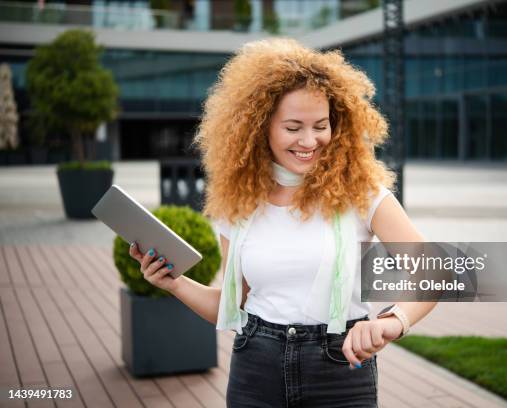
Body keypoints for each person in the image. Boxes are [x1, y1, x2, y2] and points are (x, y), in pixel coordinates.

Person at [129, 38, 436, 407]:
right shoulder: (238, 202)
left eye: (321, 125)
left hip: (340, 373)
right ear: (262, 129)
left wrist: (392, 322)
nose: (310, 141)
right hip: (255, 367)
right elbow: (232, 304)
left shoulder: (363, 194)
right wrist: (174, 284)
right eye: (294, 128)